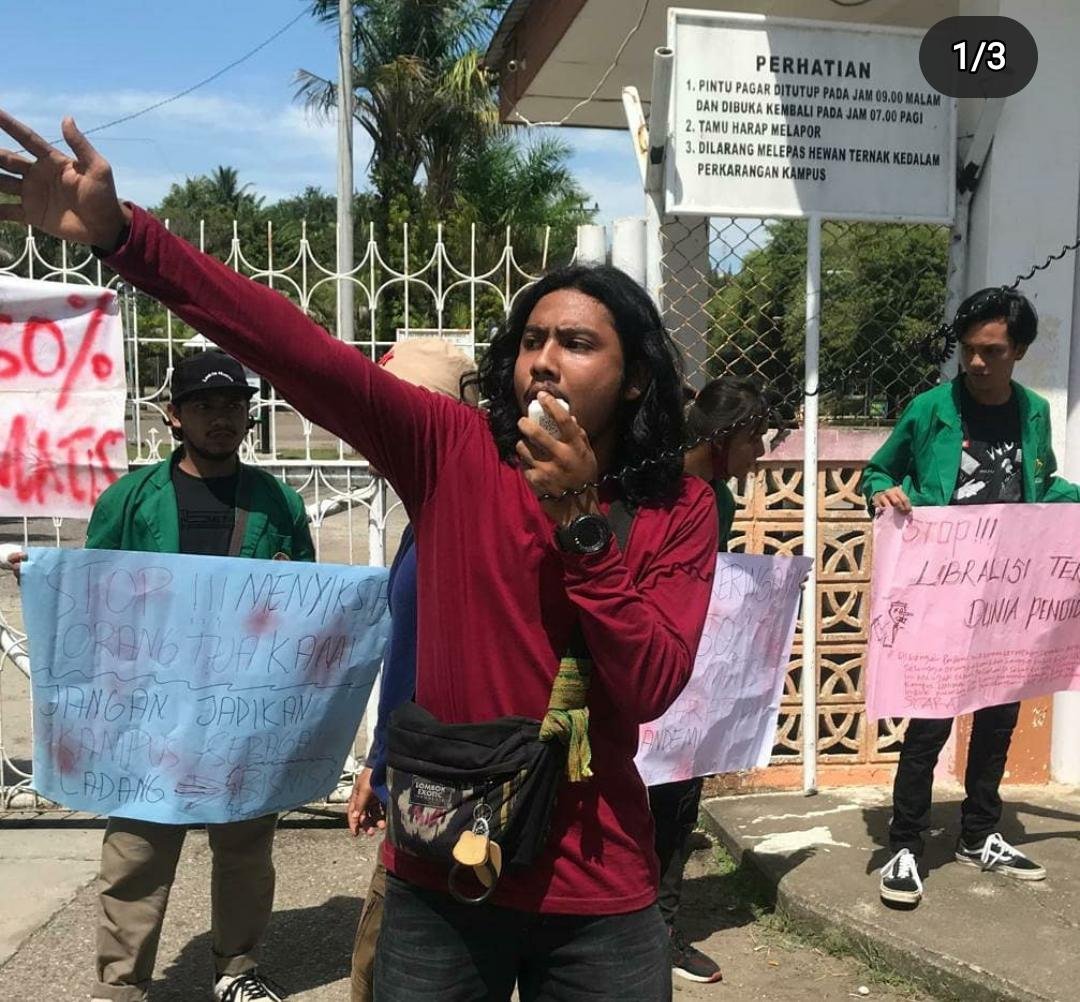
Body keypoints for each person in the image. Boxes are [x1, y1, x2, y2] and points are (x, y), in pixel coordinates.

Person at [0, 111, 719, 1002]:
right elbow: (292, 348)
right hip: (444, 871)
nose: (544, 362)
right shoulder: (452, 450)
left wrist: (580, 525)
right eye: (532, 341)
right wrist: (124, 238)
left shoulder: (679, 508)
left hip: (599, 887)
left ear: (635, 377)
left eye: (576, 344)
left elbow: (649, 686)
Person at [12, 349, 314, 1002]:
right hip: (148, 711)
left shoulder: (278, 503)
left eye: (233, 405)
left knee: (245, 848)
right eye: (205, 405)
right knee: (137, 853)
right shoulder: (130, 499)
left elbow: (306, 603)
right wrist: (43, 577)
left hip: (239, 711)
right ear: (174, 416)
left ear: (249, 415)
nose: (221, 418)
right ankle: (121, 985)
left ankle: (237, 969)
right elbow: (91, 593)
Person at [862, 287, 1079, 907]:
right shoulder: (931, 408)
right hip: (942, 598)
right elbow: (878, 470)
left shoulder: (1033, 411)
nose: (977, 362)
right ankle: (905, 843)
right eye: (969, 349)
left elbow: (1040, 485)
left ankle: (979, 833)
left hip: (1008, 599)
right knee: (928, 724)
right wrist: (882, 491)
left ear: (1020, 352)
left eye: (993, 351)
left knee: (998, 719)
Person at [346, 337, 480, 1002]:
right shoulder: (424, 512)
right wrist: (378, 763)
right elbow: (409, 656)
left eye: (396, 414)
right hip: (418, 770)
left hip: (450, 784)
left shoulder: (461, 518)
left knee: (394, 967)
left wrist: (387, 767)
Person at [649, 375, 769, 984]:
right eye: (755, 439)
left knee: (679, 798)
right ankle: (647, 932)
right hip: (645, 669)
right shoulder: (655, 486)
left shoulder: (718, 498)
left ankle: (660, 926)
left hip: (692, 674)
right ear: (724, 439)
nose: (761, 454)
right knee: (651, 803)